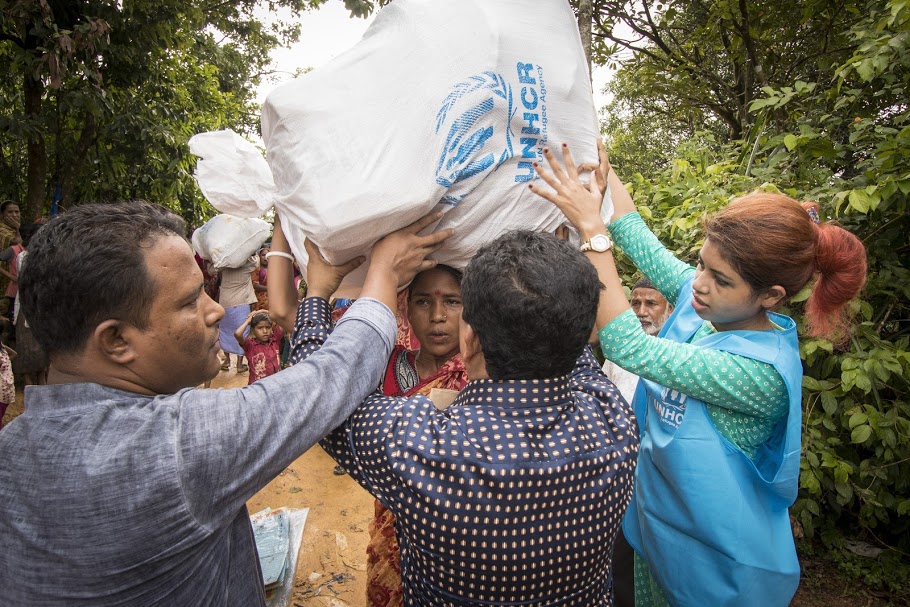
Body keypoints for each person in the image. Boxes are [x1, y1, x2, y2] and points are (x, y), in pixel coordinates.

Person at [0, 199, 451, 606]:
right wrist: (384, 275)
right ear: (116, 340)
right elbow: (330, 378)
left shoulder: (12, 448)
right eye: (190, 300)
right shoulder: (172, 448)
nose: (215, 311)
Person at [531, 142, 867, 607]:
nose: (700, 284)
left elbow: (629, 347)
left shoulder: (757, 373)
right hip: (659, 540)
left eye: (721, 278)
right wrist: (598, 159)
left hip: (717, 570)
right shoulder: (711, 311)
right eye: (703, 265)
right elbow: (636, 234)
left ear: (770, 296)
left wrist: (591, 228)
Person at [293, 228, 638, 606]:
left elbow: (316, 398)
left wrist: (318, 294)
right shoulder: (614, 420)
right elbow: (573, 342)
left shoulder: (419, 446)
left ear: (468, 336)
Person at [601, 278, 673, 404]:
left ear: (670, 309)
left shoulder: (677, 353)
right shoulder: (620, 351)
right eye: (636, 304)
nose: (641, 312)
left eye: (651, 304)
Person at [218, 254, 258, 373]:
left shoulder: (223, 264)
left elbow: (211, 269)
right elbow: (256, 262)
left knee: (224, 331)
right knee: (242, 333)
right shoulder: (247, 265)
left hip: (225, 302)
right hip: (241, 302)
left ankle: (227, 361)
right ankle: (240, 365)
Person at [234, 310, 282, 385]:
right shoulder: (250, 345)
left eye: (268, 327)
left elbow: (282, 320)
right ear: (253, 330)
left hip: (276, 383)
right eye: (260, 328)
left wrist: (264, 311)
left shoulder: (275, 339)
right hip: (258, 386)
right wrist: (248, 321)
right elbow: (237, 334)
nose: (265, 331)